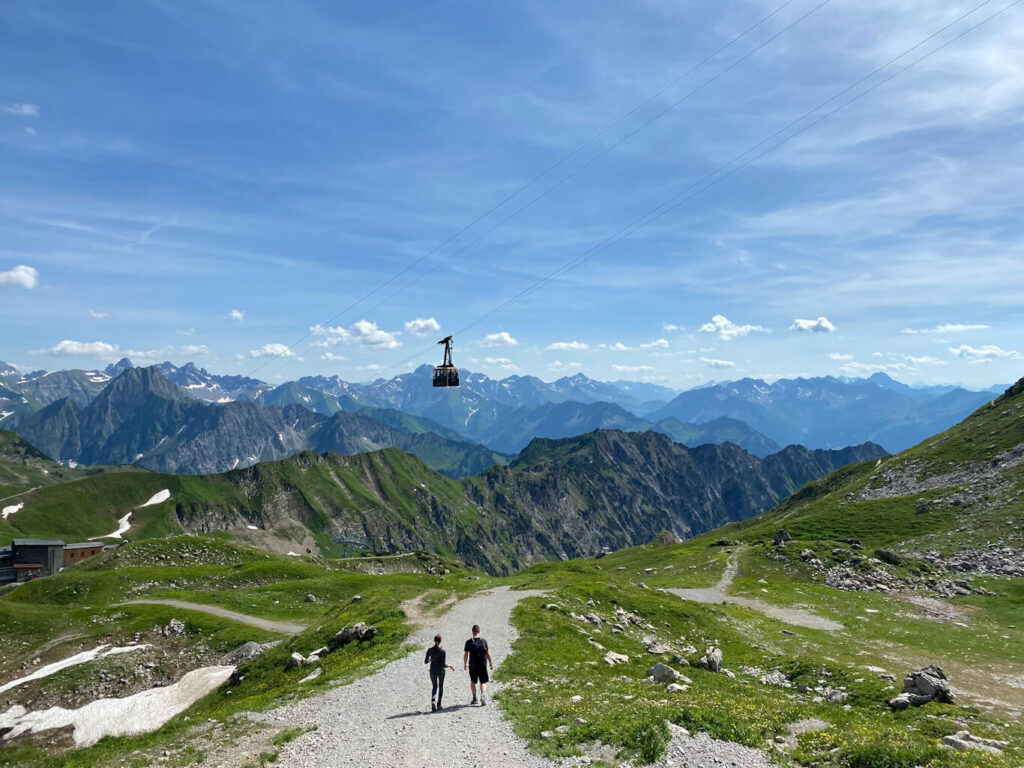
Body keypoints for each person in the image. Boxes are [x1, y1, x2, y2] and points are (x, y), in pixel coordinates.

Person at [463, 624, 493, 705]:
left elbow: (466, 655)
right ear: (479, 631)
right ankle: (482, 695)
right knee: (483, 682)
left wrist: (465, 664)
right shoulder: (484, 641)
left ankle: (474, 698)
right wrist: (490, 663)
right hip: (482, 664)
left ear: (472, 632)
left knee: (473, 681)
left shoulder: (468, 642)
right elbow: (488, 653)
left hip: (472, 665)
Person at [424, 634, 455, 712]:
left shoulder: (429, 650)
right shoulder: (442, 651)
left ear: (434, 641)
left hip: (432, 671)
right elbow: (443, 665)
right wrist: (449, 665)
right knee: (441, 686)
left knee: (434, 686)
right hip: (440, 671)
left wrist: (431, 659)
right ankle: (439, 705)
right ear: (441, 641)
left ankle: (433, 699)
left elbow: (425, 661)